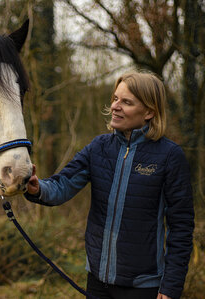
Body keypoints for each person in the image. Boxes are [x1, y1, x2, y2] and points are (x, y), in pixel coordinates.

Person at [25, 71, 194, 299]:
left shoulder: (170, 156)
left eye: (126, 102)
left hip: (143, 287)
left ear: (149, 112)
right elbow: (62, 184)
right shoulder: (99, 147)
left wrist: (171, 286)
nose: (115, 106)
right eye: (115, 98)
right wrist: (37, 188)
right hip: (97, 284)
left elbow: (181, 227)